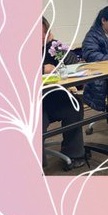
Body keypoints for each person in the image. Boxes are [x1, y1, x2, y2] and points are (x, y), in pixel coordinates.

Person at [42, 17, 86, 168]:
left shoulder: (51, 47)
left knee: (74, 105)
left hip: (52, 96)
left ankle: (74, 153)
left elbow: (74, 64)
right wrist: (42, 69)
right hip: (30, 101)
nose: (41, 36)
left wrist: (55, 45)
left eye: (44, 32)